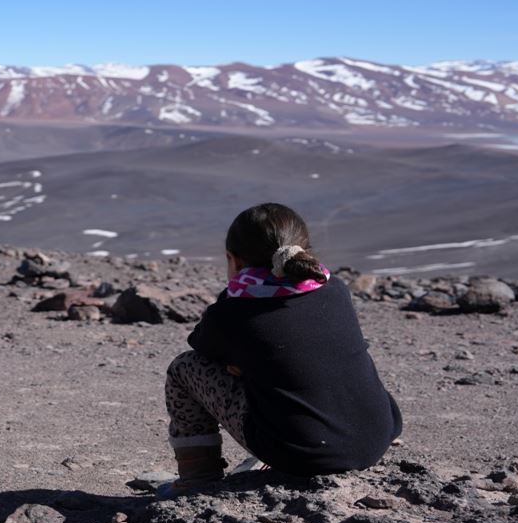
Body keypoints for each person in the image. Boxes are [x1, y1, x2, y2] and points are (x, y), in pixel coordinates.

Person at [162, 202, 402, 492]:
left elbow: (201, 347)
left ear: (233, 259)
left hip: (301, 454)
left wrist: (240, 359)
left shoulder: (233, 311)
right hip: (375, 440)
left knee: (185, 367)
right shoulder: (335, 288)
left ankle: (197, 482)